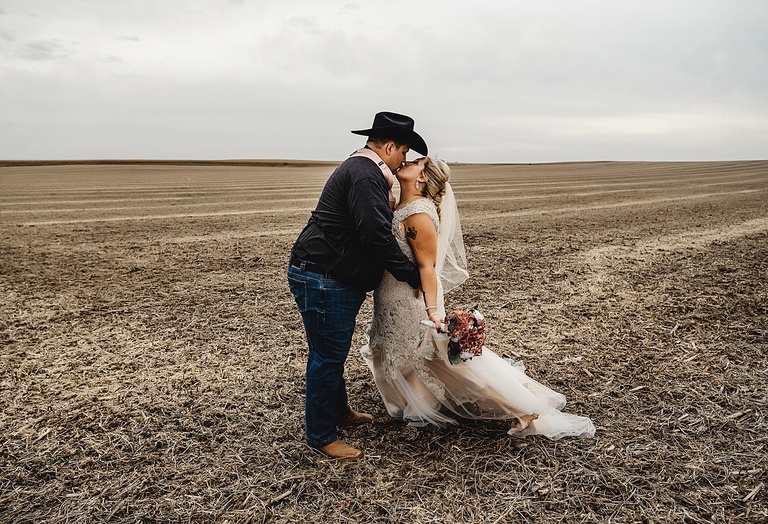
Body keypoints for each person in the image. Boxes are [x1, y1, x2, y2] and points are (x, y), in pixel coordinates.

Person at [361, 157, 596, 440]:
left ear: (422, 178)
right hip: (391, 295)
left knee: (439, 359)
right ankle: (418, 405)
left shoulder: (418, 214)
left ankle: (522, 407)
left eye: (417, 162)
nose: (407, 160)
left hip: (411, 300)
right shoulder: (403, 206)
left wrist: (433, 310)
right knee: (409, 354)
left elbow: (428, 267)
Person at [287, 111, 429, 460]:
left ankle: (339, 412)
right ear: (390, 146)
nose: (404, 160)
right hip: (324, 276)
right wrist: (412, 274)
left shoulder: (364, 169)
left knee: (329, 351)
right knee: (327, 357)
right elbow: (376, 236)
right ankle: (321, 435)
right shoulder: (365, 174)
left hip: (327, 272)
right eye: (404, 152)